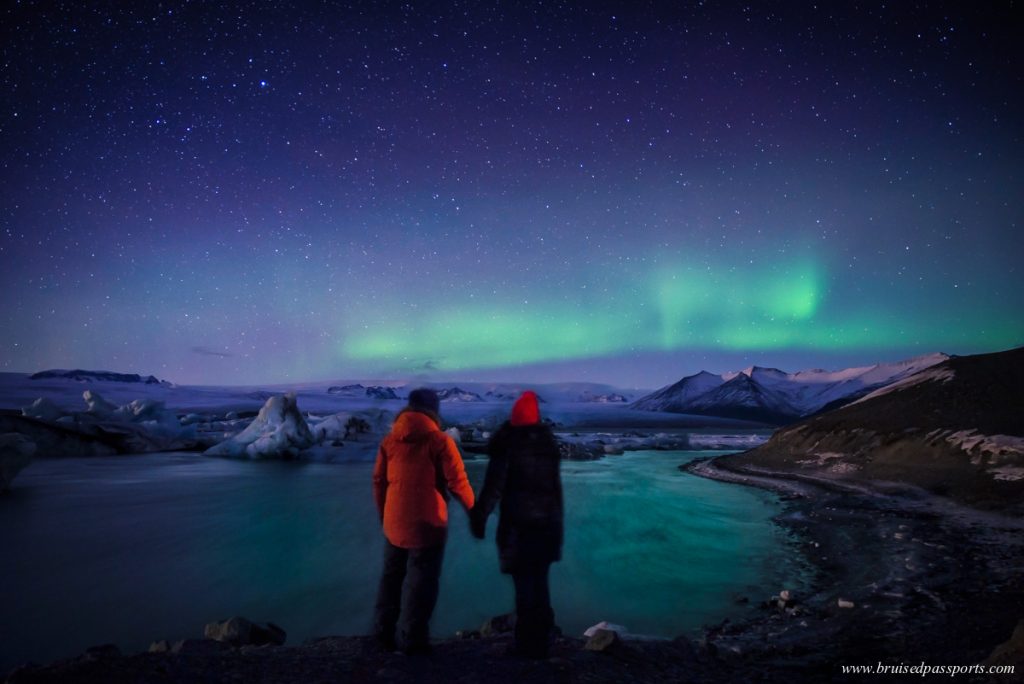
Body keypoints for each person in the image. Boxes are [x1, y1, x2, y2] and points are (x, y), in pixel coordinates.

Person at [372, 388, 475, 654]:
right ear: (433, 410)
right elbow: (458, 482)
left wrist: (384, 514)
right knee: (421, 582)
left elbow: (379, 482)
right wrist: (475, 511)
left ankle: (382, 636)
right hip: (428, 525)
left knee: (391, 578)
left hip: (394, 523)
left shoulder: (389, 440)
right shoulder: (439, 441)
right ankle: (412, 641)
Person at [470, 390, 563, 659]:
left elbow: (493, 487)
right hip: (546, 529)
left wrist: (480, 518)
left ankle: (527, 647)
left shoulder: (508, 445)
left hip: (519, 530)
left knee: (525, 589)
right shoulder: (547, 446)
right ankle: (543, 641)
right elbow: (555, 493)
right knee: (540, 585)